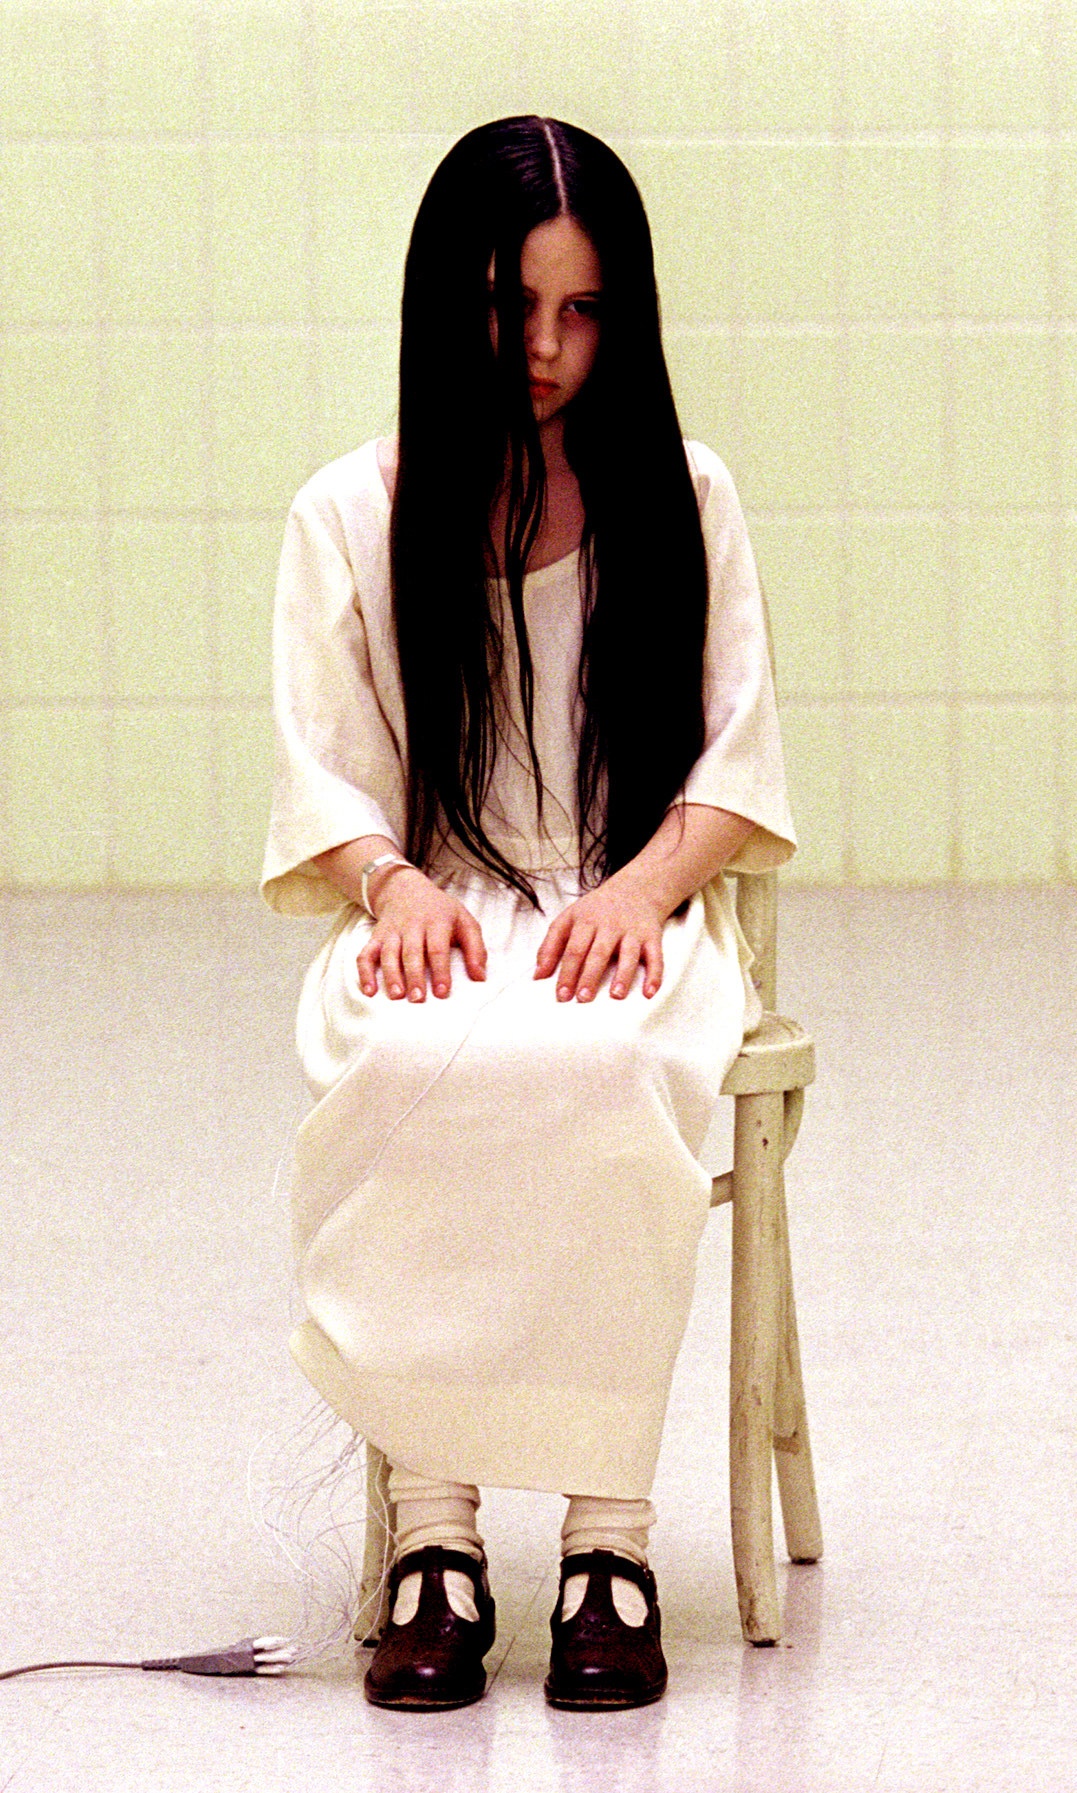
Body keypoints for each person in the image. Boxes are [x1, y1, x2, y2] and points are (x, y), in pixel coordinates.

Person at [260, 115, 792, 1713]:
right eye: (514, 309)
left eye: (582, 312)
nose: (549, 349)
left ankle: (608, 1540)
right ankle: (435, 1534)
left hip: (632, 900)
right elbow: (327, 782)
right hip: (435, 900)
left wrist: (642, 889)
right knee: (433, 1062)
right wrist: (391, 886)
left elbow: (739, 753)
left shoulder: (684, 496)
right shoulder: (348, 516)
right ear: (449, 306)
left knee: (586, 1061)